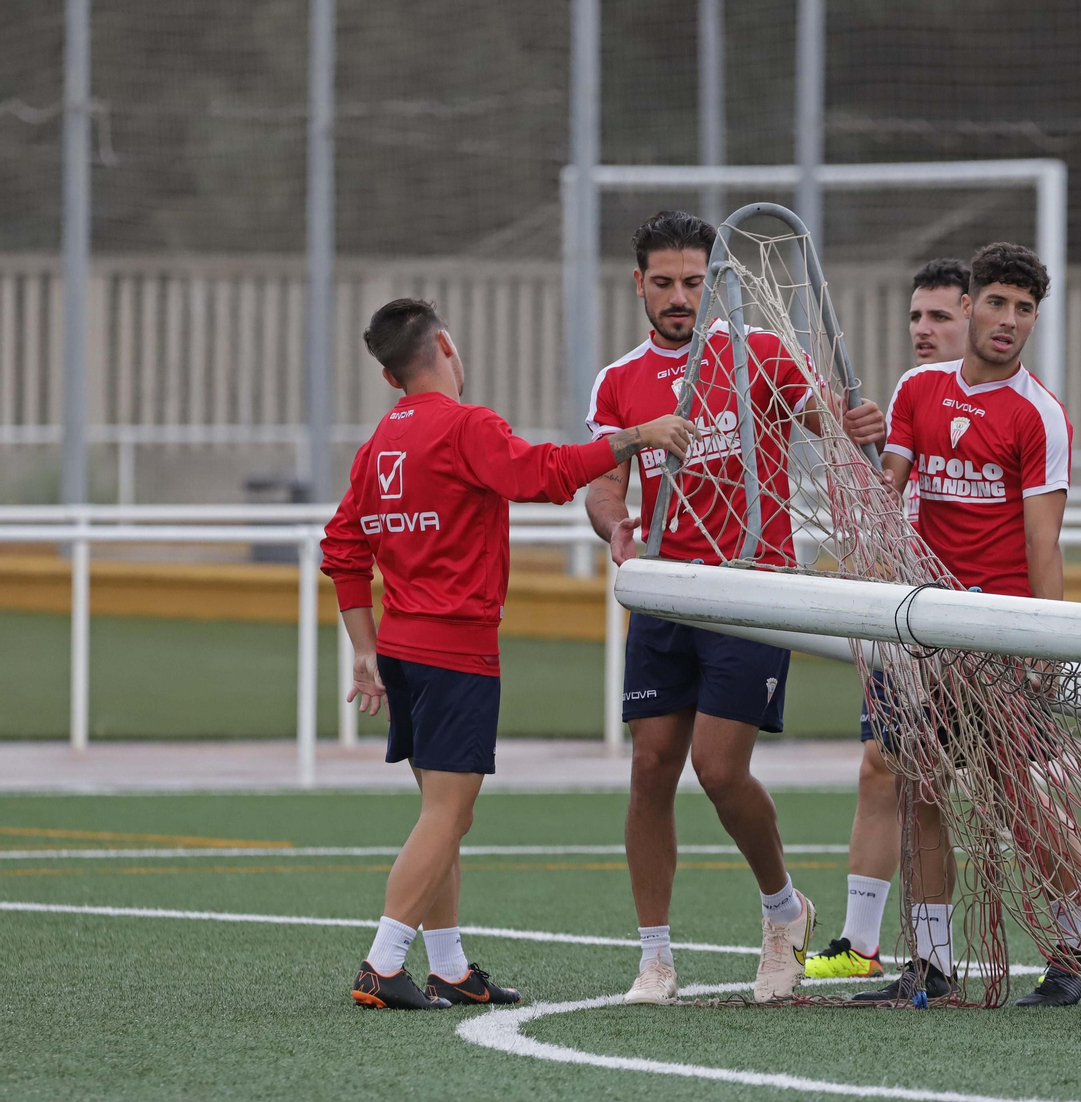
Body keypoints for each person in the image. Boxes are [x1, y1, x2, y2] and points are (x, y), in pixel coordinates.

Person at [324, 298, 693, 1010]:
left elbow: (343, 547)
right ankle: (381, 961)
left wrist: (364, 650)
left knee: (443, 813)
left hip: (402, 647)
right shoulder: (466, 426)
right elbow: (543, 475)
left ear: (387, 374)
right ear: (447, 347)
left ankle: (451, 967)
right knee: (448, 816)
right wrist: (637, 436)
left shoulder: (379, 443)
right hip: (454, 649)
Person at [584, 211, 886, 1005]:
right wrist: (615, 525)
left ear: (718, 280)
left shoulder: (758, 351)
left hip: (753, 586)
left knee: (720, 770)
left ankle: (784, 910)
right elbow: (604, 484)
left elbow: (833, 420)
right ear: (638, 283)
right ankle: (655, 957)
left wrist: (859, 422)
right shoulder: (619, 380)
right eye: (664, 283)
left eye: (694, 281)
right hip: (666, 590)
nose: (679, 297)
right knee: (650, 769)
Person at [853, 242, 1081, 1008]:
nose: (1009, 320)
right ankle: (933, 967)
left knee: (1013, 794)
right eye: (997, 303)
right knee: (920, 784)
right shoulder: (917, 389)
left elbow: (1044, 540)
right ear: (968, 303)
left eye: (1025, 308)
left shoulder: (1039, 414)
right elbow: (888, 500)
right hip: (925, 629)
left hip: (998, 632)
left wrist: (1043, 641)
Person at [805, 256, 971, 982]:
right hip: (905, 614)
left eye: (941, 316)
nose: (923, 330)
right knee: (884, 770)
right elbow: (887, 492)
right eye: (916, 316)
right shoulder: (913, 390)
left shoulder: (1014, 402)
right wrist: (855, 439)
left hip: (967, 621)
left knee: (987, 792)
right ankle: (864, 944)